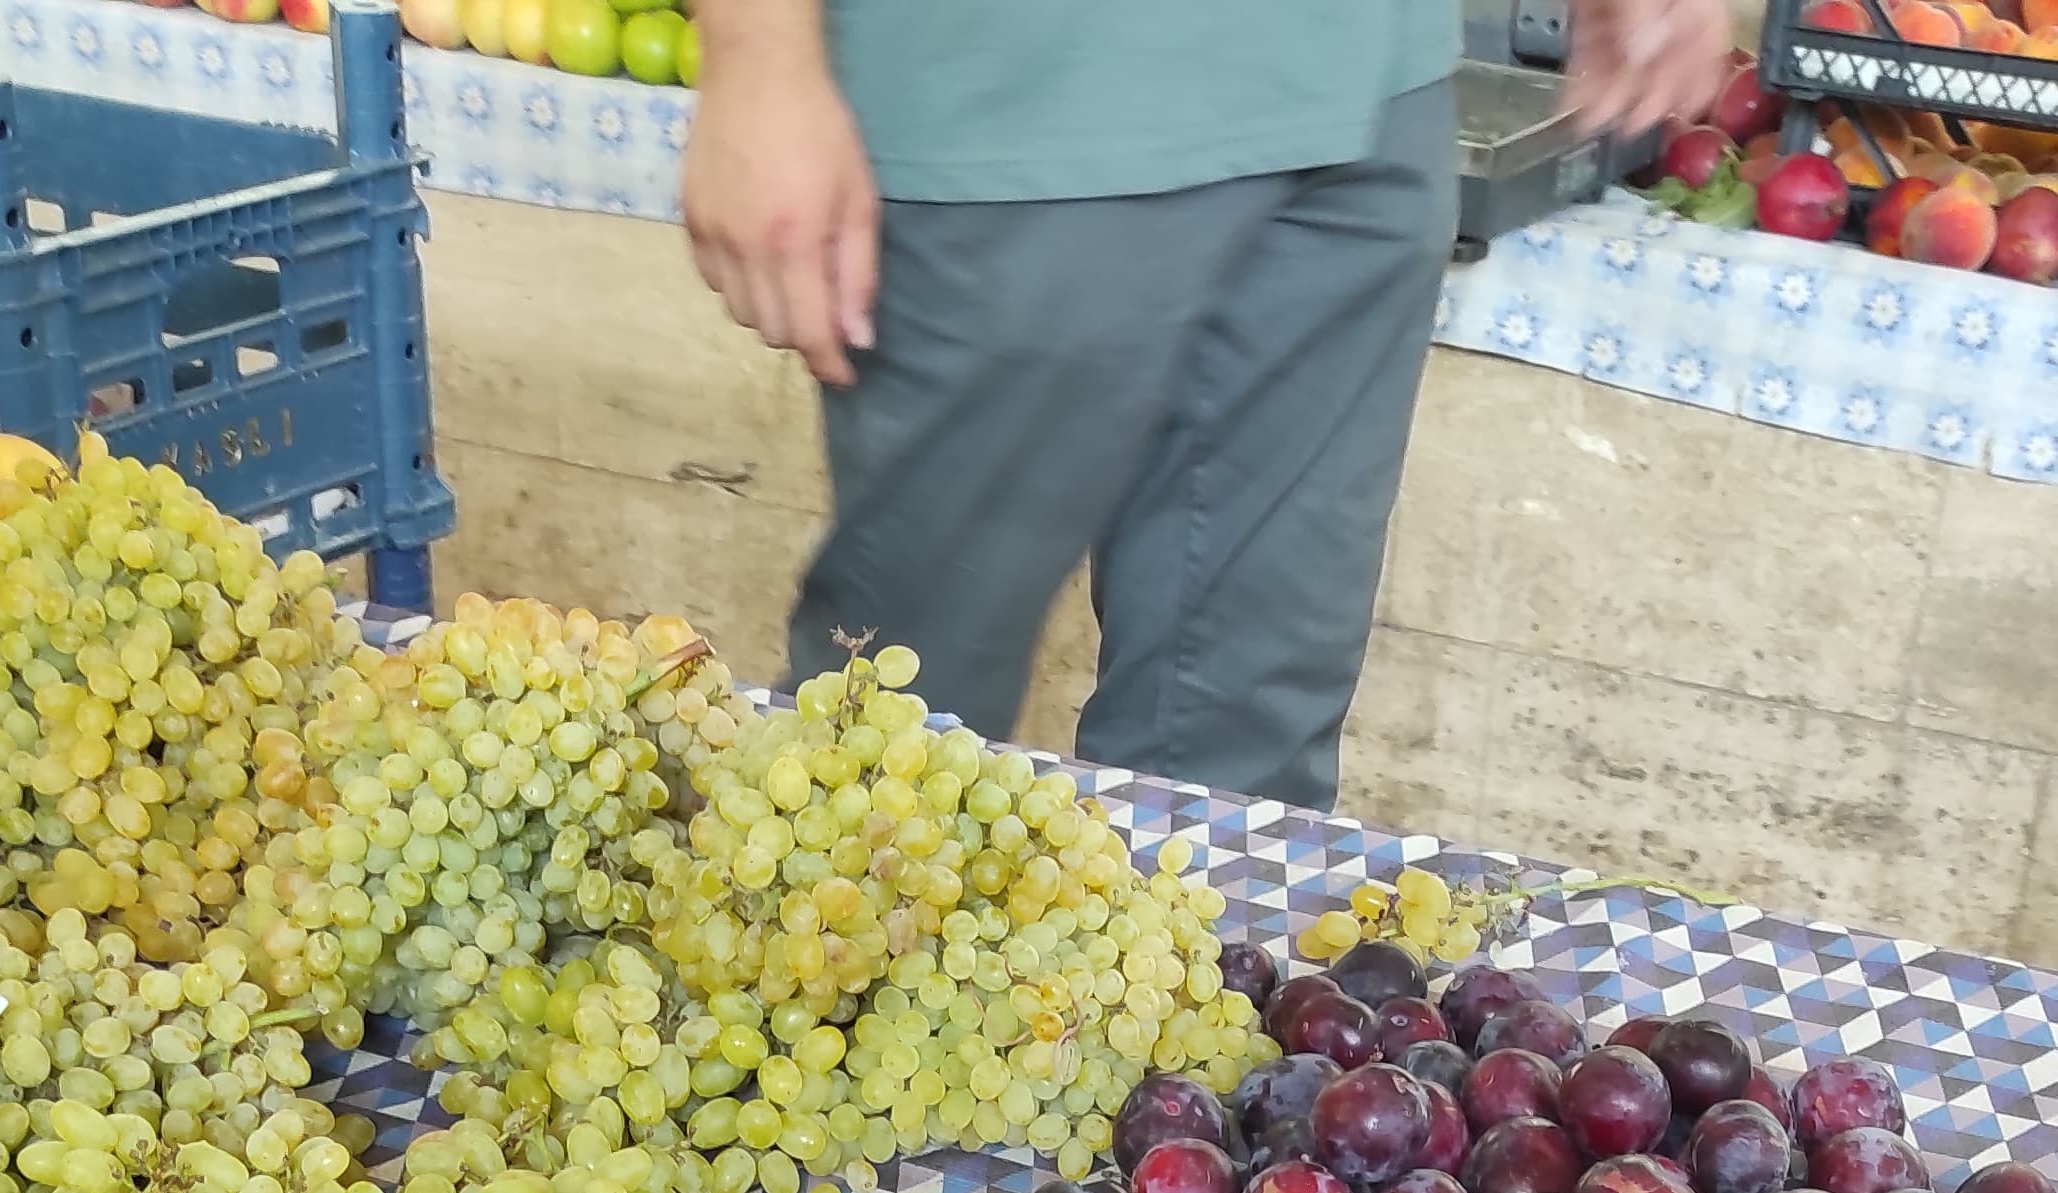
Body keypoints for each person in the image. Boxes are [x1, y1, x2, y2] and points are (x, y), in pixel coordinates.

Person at [682, 0, 1730, 809]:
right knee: (883, 745)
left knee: (1245, 773)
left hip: (1361, 92)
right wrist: (754, 54)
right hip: (1016, 93)